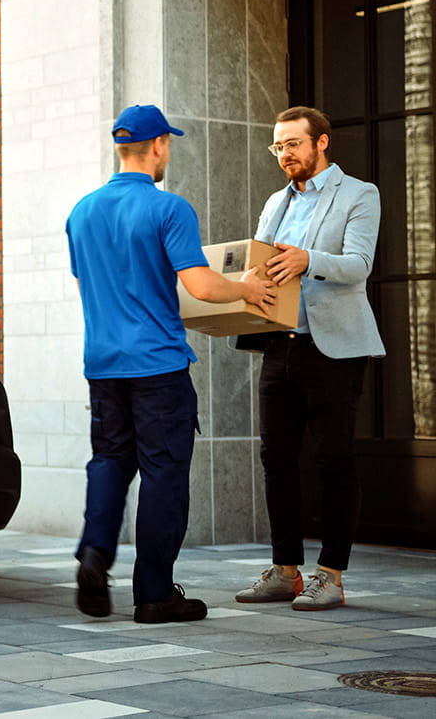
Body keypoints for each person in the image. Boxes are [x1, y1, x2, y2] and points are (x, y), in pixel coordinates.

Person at [67, 104, 274, 624]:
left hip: (103, 364)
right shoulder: (168, 208)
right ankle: (155, 593)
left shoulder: (82, 212)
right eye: (169, 145)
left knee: (110, 462)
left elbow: (93, 286)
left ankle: (94, 555)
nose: (168, 154)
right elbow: (202, 284)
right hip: (157, 366)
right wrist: (247, 287)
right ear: (158, 145)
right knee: (163, 474)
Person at [234, 106, 383, 612]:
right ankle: (286, 570)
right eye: (278, 147)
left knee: (333, 458)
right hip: (281, 342)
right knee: (276, 458)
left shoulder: (360, 193)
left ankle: (331, 575)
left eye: (293, 144)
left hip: (334, 346)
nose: (284, 155)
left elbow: (360, 265)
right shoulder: (276, 202)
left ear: (321, 142)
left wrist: (307, 260)